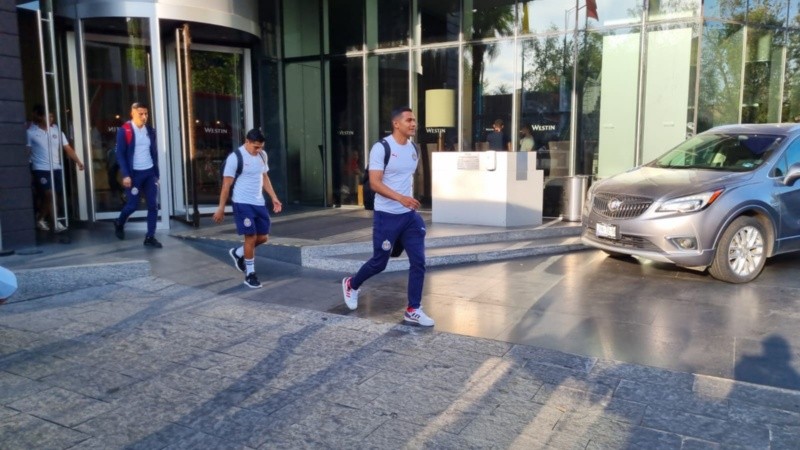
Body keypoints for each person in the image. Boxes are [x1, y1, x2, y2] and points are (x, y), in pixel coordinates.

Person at [341, 107, 433, 327]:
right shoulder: (381, 148)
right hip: (387, 216)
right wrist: (401, 198)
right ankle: (352, 284)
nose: (413, 124)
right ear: (396, 123)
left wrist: (407, 202)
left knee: (419, 262)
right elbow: (375, 183)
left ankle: (413, 309)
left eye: (414, 120)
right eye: (409, 120)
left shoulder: (413, 149)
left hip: (409, 217)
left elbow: (405, 179)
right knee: (379, 262)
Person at [213, 129, 283, 289]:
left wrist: (274, 197)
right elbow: (226, 185)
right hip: (242, 203)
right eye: (256, 147)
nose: (258, 150)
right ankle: (250, 274)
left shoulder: (262, 155)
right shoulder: (235, 158)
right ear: (247, 142)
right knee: (250, 238)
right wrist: (221, 208)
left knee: (263, 237)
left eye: (261, 147)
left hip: (258, 203)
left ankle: (238, 253)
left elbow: (264, 177)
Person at [27, 104, 84, 232]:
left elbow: (67, 148)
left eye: (52, 116)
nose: (51, 119)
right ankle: (56, 222)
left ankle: (41, 218)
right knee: (50, 194)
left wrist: (78, 161)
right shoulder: (31, 133)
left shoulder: (57, 131)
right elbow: (27, 151)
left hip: (56, 168)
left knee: (53, 196)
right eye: (48, 116)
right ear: (41, 117)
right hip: (40, 169)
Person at [113, 102, 162, 248]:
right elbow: (120, 154)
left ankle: (150, 237)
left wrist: (156, 174)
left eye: (146, 114)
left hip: (149, 173)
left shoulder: (150, 130)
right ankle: (119, 222)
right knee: (133, 205)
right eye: (141, 114)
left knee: (153, 205)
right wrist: (126, 175)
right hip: (134, 174)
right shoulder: (125, 130)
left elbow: (153, 152)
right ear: (132, 113)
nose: (144, 116)